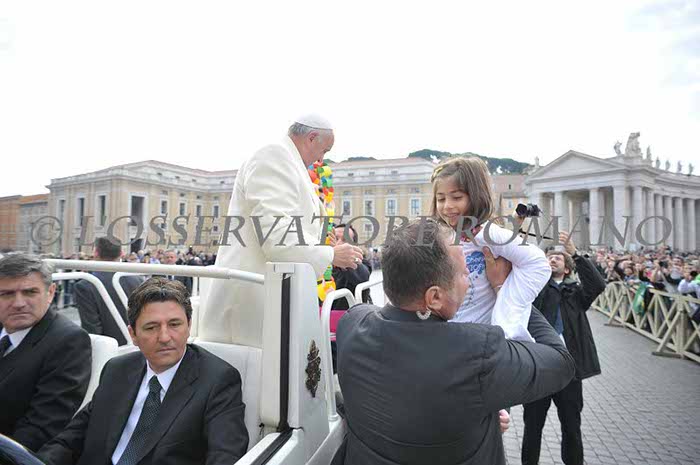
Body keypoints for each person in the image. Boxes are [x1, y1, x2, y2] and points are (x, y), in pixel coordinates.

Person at [335, 219, 575, 465]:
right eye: (464, 273)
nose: (470, 280)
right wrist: (509, 291)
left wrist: (478, 419)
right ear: (435, 297)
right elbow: (561, 361)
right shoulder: (478, 352)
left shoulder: (353, 323)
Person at [38, 277, 249, 465]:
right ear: (133, 334)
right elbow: (72, 438)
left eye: (174, 324)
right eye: (151, 327)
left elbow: (225, 456)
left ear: (189, 326)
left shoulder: (218, 380)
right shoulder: (117, 370)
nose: (164, 337)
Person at [200, 115, 364, 347]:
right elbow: (277, 236)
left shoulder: (289, 162)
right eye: (324, 151)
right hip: (252, 300)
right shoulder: (274, 156)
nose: (321, 159)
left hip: (274, 294)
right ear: (311, 137)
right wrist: (331, 255)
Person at [431, 157, 551, 342]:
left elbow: (538, 263)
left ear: (476, 197)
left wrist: (507, 311)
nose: (447, 206)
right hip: (448, 337)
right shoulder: (441, 237)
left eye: (457, 197)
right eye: (441, 199)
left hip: (484, 340)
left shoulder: (487, 234)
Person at [521, 231, 607, 465]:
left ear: (567, 269)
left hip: (570, 371)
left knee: (571, 426)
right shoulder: (537, 291)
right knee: (532, 427)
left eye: (558, 257)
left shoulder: (576, 294)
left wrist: (575, 254)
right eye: (549, 257)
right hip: (540, 369)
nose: (553, 259)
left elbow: (598, 284)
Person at [0, 253, 91, 452]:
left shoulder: (68, 342)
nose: (18, 303)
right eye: (6, 294)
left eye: (30, 292)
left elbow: (41, 427)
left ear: (50, 293)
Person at [74, 237, 145, 345]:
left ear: (96, 253)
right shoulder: (137, 280)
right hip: (137, 345)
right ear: (121, 253)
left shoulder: (85, 285)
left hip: (107, 349)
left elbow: (92, 327)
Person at [328, 224, 372, 310]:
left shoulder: (362, 263)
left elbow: (363, 276)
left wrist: (340, 257)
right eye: (335, 239)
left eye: (345, 240)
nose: (338, 243)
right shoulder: (322, 263)